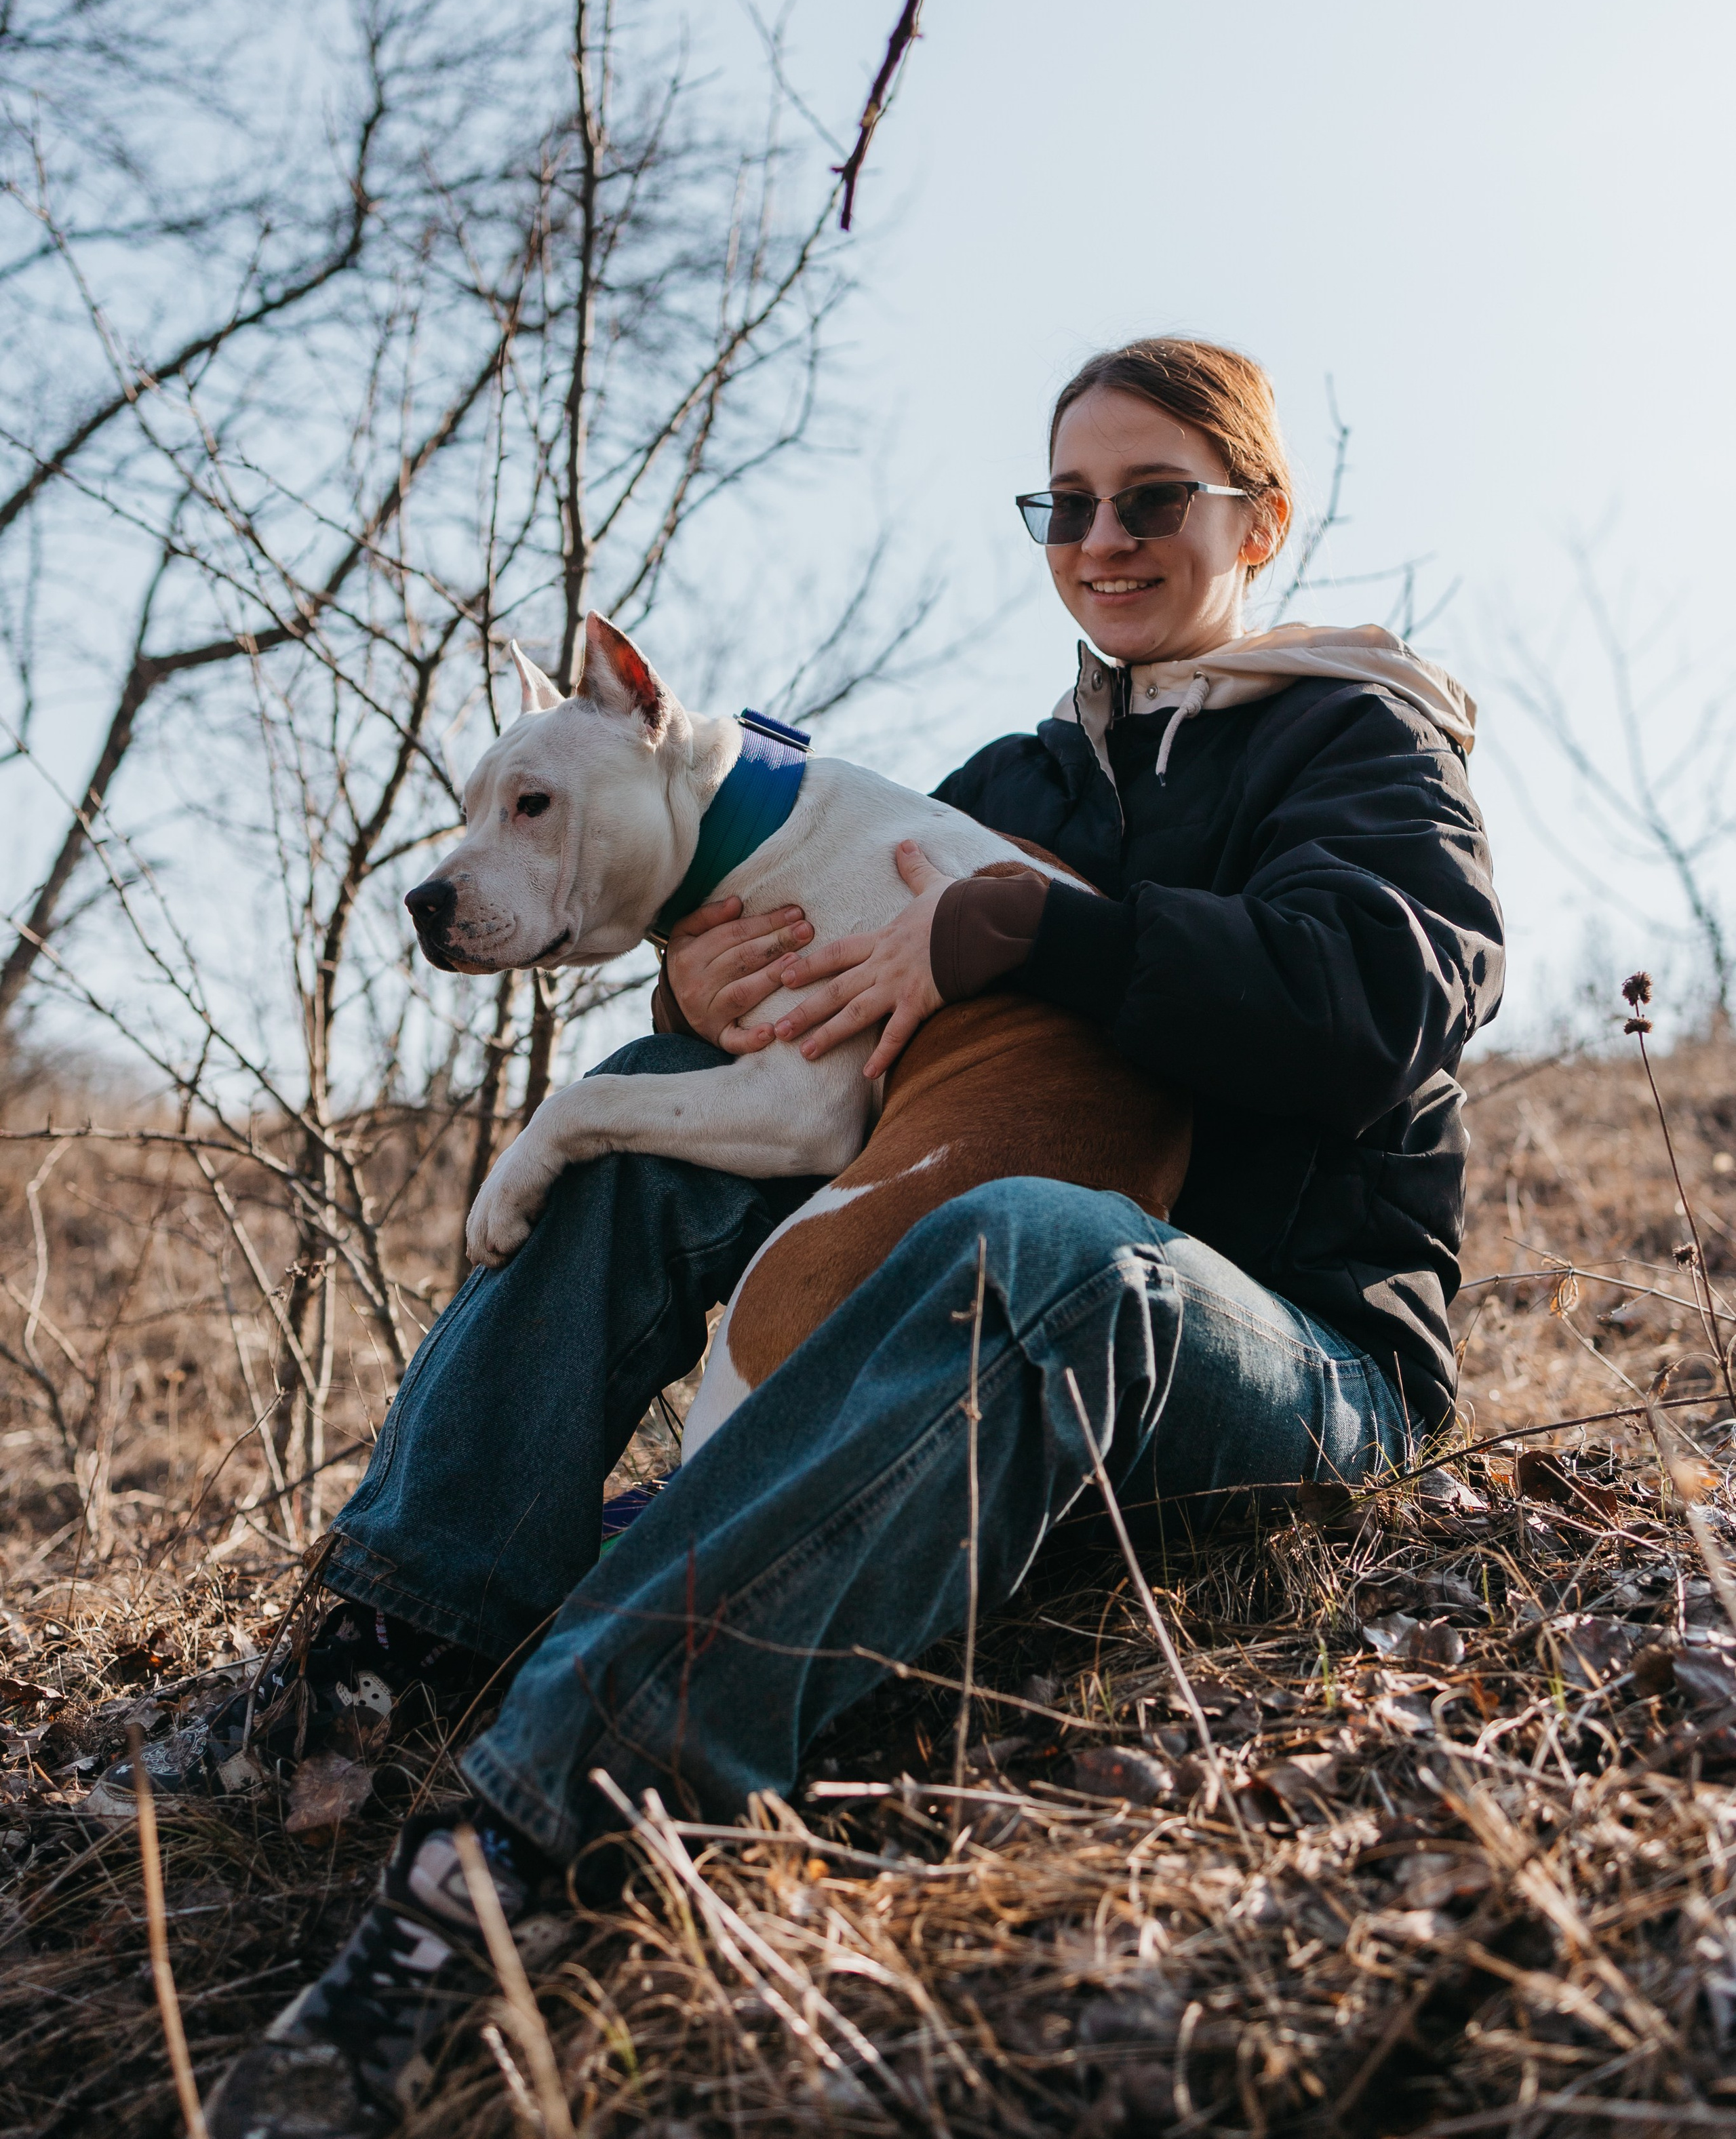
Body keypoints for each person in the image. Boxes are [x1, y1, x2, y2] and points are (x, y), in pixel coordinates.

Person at [203, 338, 1503, 2136]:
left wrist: (1032, 939)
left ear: (1261, 524)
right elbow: (822, 1031)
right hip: (990, 1375)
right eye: (1066, 505)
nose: (1103, 538)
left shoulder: (1358, 738)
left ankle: (518, 1849)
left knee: (1044, 1242)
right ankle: (392, 1644)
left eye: (1154, 500)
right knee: (636, 1123)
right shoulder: (1014, 777)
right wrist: (699, 980)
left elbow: (1378, 1004)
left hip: (1273, 1350)